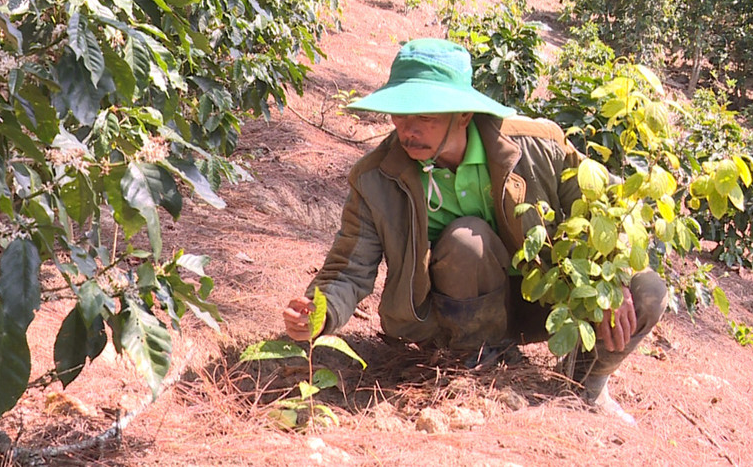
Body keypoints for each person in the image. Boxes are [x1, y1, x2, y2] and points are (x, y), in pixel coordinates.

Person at [282, 38, 667, 424]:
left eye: (425, 117)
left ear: (464, 115)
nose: (407, 130)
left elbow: (610, 214)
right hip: (451, 315)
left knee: (647, 291)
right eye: (400, 115)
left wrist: (612, 278)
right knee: (468, 239)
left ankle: (587, 387)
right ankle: (483, 366)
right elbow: (349, 269)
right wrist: (318, 313)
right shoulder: (377, 178)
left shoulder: (538, 147)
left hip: (546, 306)